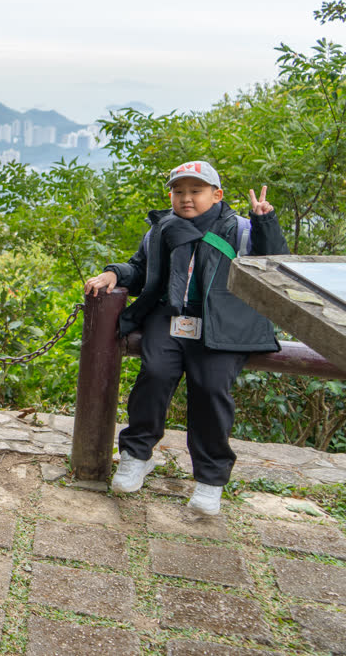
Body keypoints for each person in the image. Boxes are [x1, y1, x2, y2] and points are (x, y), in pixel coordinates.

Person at [84, 161, 288, 515]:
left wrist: (264, 221)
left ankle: (210, 479)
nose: (186, 198)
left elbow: (273, 265)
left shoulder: (240, 229)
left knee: (210, 389)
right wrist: (114, 274)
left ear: (217, 195)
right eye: (179, 191)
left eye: (196, 191)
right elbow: (141, 269)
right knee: (154, 375)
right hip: (170, 318)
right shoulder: (161, 229)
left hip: (222, 324)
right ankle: (136, 456)